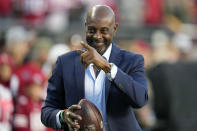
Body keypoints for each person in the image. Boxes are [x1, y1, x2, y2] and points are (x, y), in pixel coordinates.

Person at [41, 5, 148, 131]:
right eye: (92, 30)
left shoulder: (131, 60)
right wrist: (62, 116)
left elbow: (140, 99)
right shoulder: (65, 62)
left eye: (104, 31)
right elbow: (47, 111)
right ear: (85, 26)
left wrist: (107, 67)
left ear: (114, 29)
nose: (97, 36)